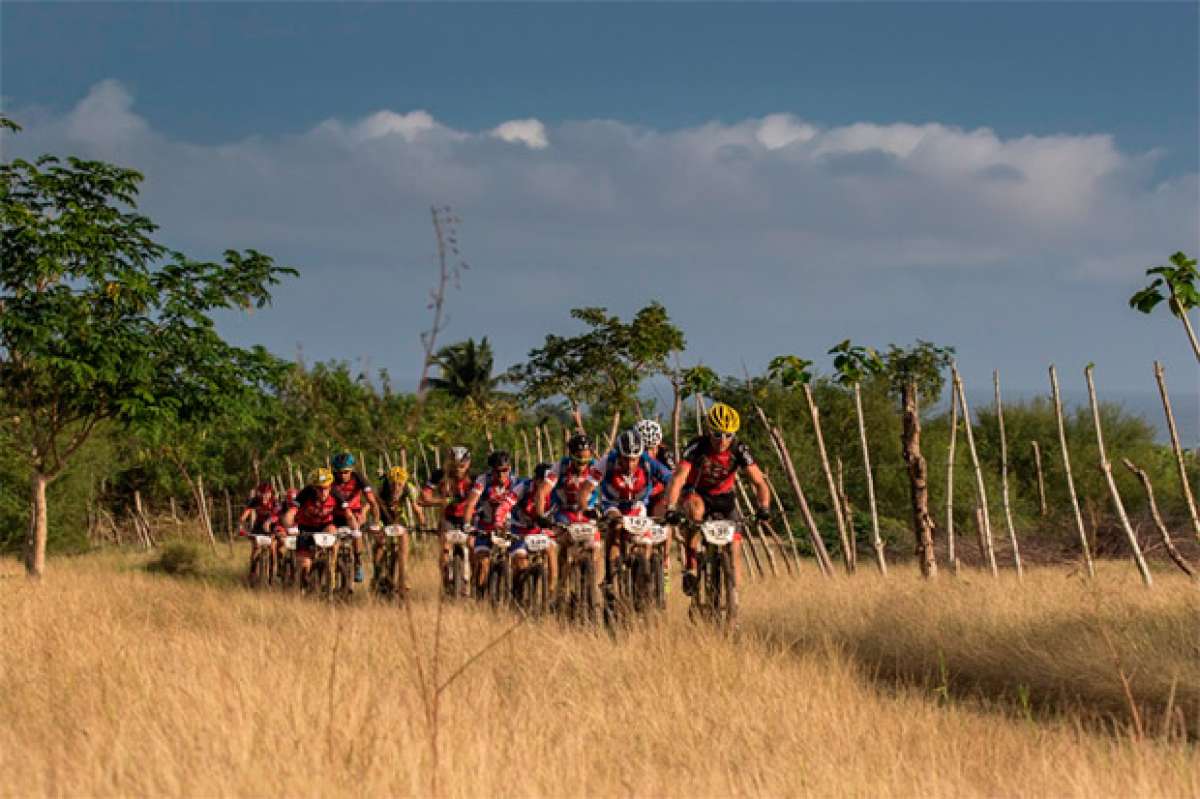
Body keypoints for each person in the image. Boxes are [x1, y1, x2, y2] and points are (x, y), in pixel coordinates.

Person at [664, 402, 771, 596]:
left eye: (728, 435)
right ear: (708, 431)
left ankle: (733, 602)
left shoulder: (738, 449)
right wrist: (671, 507)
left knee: (735, 548)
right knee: (695, 513)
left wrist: (764, 507)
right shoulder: (697, 446)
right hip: (697, 493)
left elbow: (759, 482)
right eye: (717, 434)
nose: (722, 440)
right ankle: (691, 566)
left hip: (724, 497)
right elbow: (678, 478)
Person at [598, 429, 672, 589]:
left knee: (646, 543)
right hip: (613, 504)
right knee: (616, 526)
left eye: (634, 459)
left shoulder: (647, 461)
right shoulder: (606, 462)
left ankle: (642, 583)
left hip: (637, 505)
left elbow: (670, 478)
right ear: (618, 454)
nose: (630, 464)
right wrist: (587, 506)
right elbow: (588, 484)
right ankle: (610, 577)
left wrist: (670, 502)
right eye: (626, 459)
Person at [535, 432, 604, 595]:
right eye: (578, 460)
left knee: (596, 547)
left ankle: (595, 585)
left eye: (586, 460)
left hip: (587, 512)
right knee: (564, 543)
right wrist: (540, 516)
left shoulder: (597, 467)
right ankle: (561, 587)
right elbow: (541, 492)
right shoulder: (560, 466)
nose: (582, 465)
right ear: (571, 455)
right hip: (564, 511)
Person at [459, 451, 519, 595]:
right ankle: (478, 594)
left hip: (508, 527)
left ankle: (518, 594)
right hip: (485, 525)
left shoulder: (515, 482)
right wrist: (467, 524)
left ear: (509, 468)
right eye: (497, 471)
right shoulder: (483, 481)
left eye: (505, 470)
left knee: (520, 561)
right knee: (483, 562)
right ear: (491, 470)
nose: (501, 475)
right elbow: (470, 503)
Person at [421, 445, 475, 592]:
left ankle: (474, 581)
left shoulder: (475, 477)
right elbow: (424, 496)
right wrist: (440, 501)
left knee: (472, 545)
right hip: (448, 517)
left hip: (468, 517)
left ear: (468, 463)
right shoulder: (439, 475)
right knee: (445, 548)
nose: (458, 469)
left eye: (462, 466)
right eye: (455, 465)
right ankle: (445, 580)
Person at [504, 462, 559, 599]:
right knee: (521, 563)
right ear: (535, 479)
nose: (545, 485)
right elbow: (506, 504)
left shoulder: (555, 492)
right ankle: (516, 593)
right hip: (519, 528)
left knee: (551, 550)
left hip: (540, 529)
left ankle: (551, 592)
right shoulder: (523, 487)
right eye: (541, 480)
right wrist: (500, 520)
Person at [280, 468, 339, 588]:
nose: (323, 492)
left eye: (326, 488)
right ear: (313, 487)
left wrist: (356, 529)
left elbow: (348, 514)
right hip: (306, 528)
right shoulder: (305, 493)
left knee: (333, 531)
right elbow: (291, 513)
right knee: (304, 565)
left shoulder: (336, 493)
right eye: (319, 488)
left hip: (325, 526)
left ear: (330, 486)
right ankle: (305, 583)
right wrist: (288, 526)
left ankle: (331, 569)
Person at [330, 453, 379, 583]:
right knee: (331, 538)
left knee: (357, 533)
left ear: (351, 470)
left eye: (346, 472)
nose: (342, 475)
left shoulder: (359, 478)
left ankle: (358, 563)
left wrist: (374, 521)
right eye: (339, 472)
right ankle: (329, 567)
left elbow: (372, 501)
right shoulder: (330, 479)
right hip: (335, 515)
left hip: (355, 513)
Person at [373, 466, 420, 595]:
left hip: (400, 518)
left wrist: (422, 522)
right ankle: (377, 574)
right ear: (388, 481)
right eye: (393, 484)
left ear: (404, 482)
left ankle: (403, 577)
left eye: (400, 484)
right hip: (383, 518)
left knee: (404, 541)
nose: (396, 488)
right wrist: (375, 523)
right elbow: (371, 505)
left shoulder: (409, 488)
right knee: (380, 544)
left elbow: (417, 507)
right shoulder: (381, 487)